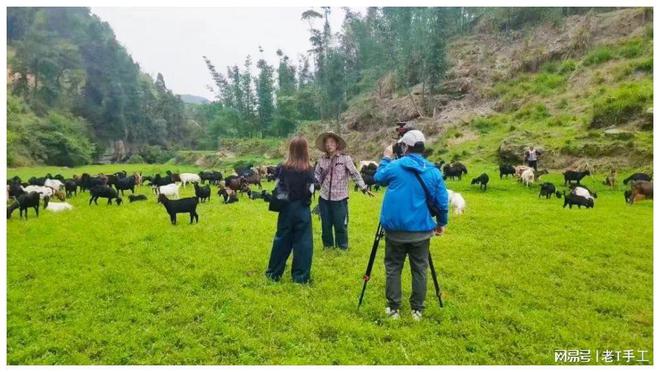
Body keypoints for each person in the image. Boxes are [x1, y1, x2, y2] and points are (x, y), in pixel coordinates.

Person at [373, 130, 449, 321]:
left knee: (393, 267)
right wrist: (441, 223)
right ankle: (417, 310)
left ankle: (393, 308)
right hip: (421, 231)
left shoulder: (395, 166)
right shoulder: (433, 171)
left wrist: (386, 157)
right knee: (420, 269)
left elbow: (378, 178)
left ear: (405, 147)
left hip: (395, 231)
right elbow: (442, 202)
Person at [265, 136, 316, 284]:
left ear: (291, 150)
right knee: (303, 243)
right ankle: (300, 277)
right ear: (305, 150)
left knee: (281, 240)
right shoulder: (309, 169)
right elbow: (311, 189)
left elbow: (277, 186)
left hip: (286, 208)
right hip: (302, 209)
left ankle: (273, 273)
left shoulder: (283, 167)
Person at [314, 132, 374, 250]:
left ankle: (342, 247)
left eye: (331, 142)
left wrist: (363, 187)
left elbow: (355, 174)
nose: (329, 145)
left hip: (340, 198)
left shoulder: (345, 158)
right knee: (326, 224)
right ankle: (328, 246)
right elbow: (316, 174)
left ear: (337, 144)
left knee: (340, 224)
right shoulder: (321, 159)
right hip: (324, 198)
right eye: (326, 143)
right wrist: (313, 184)